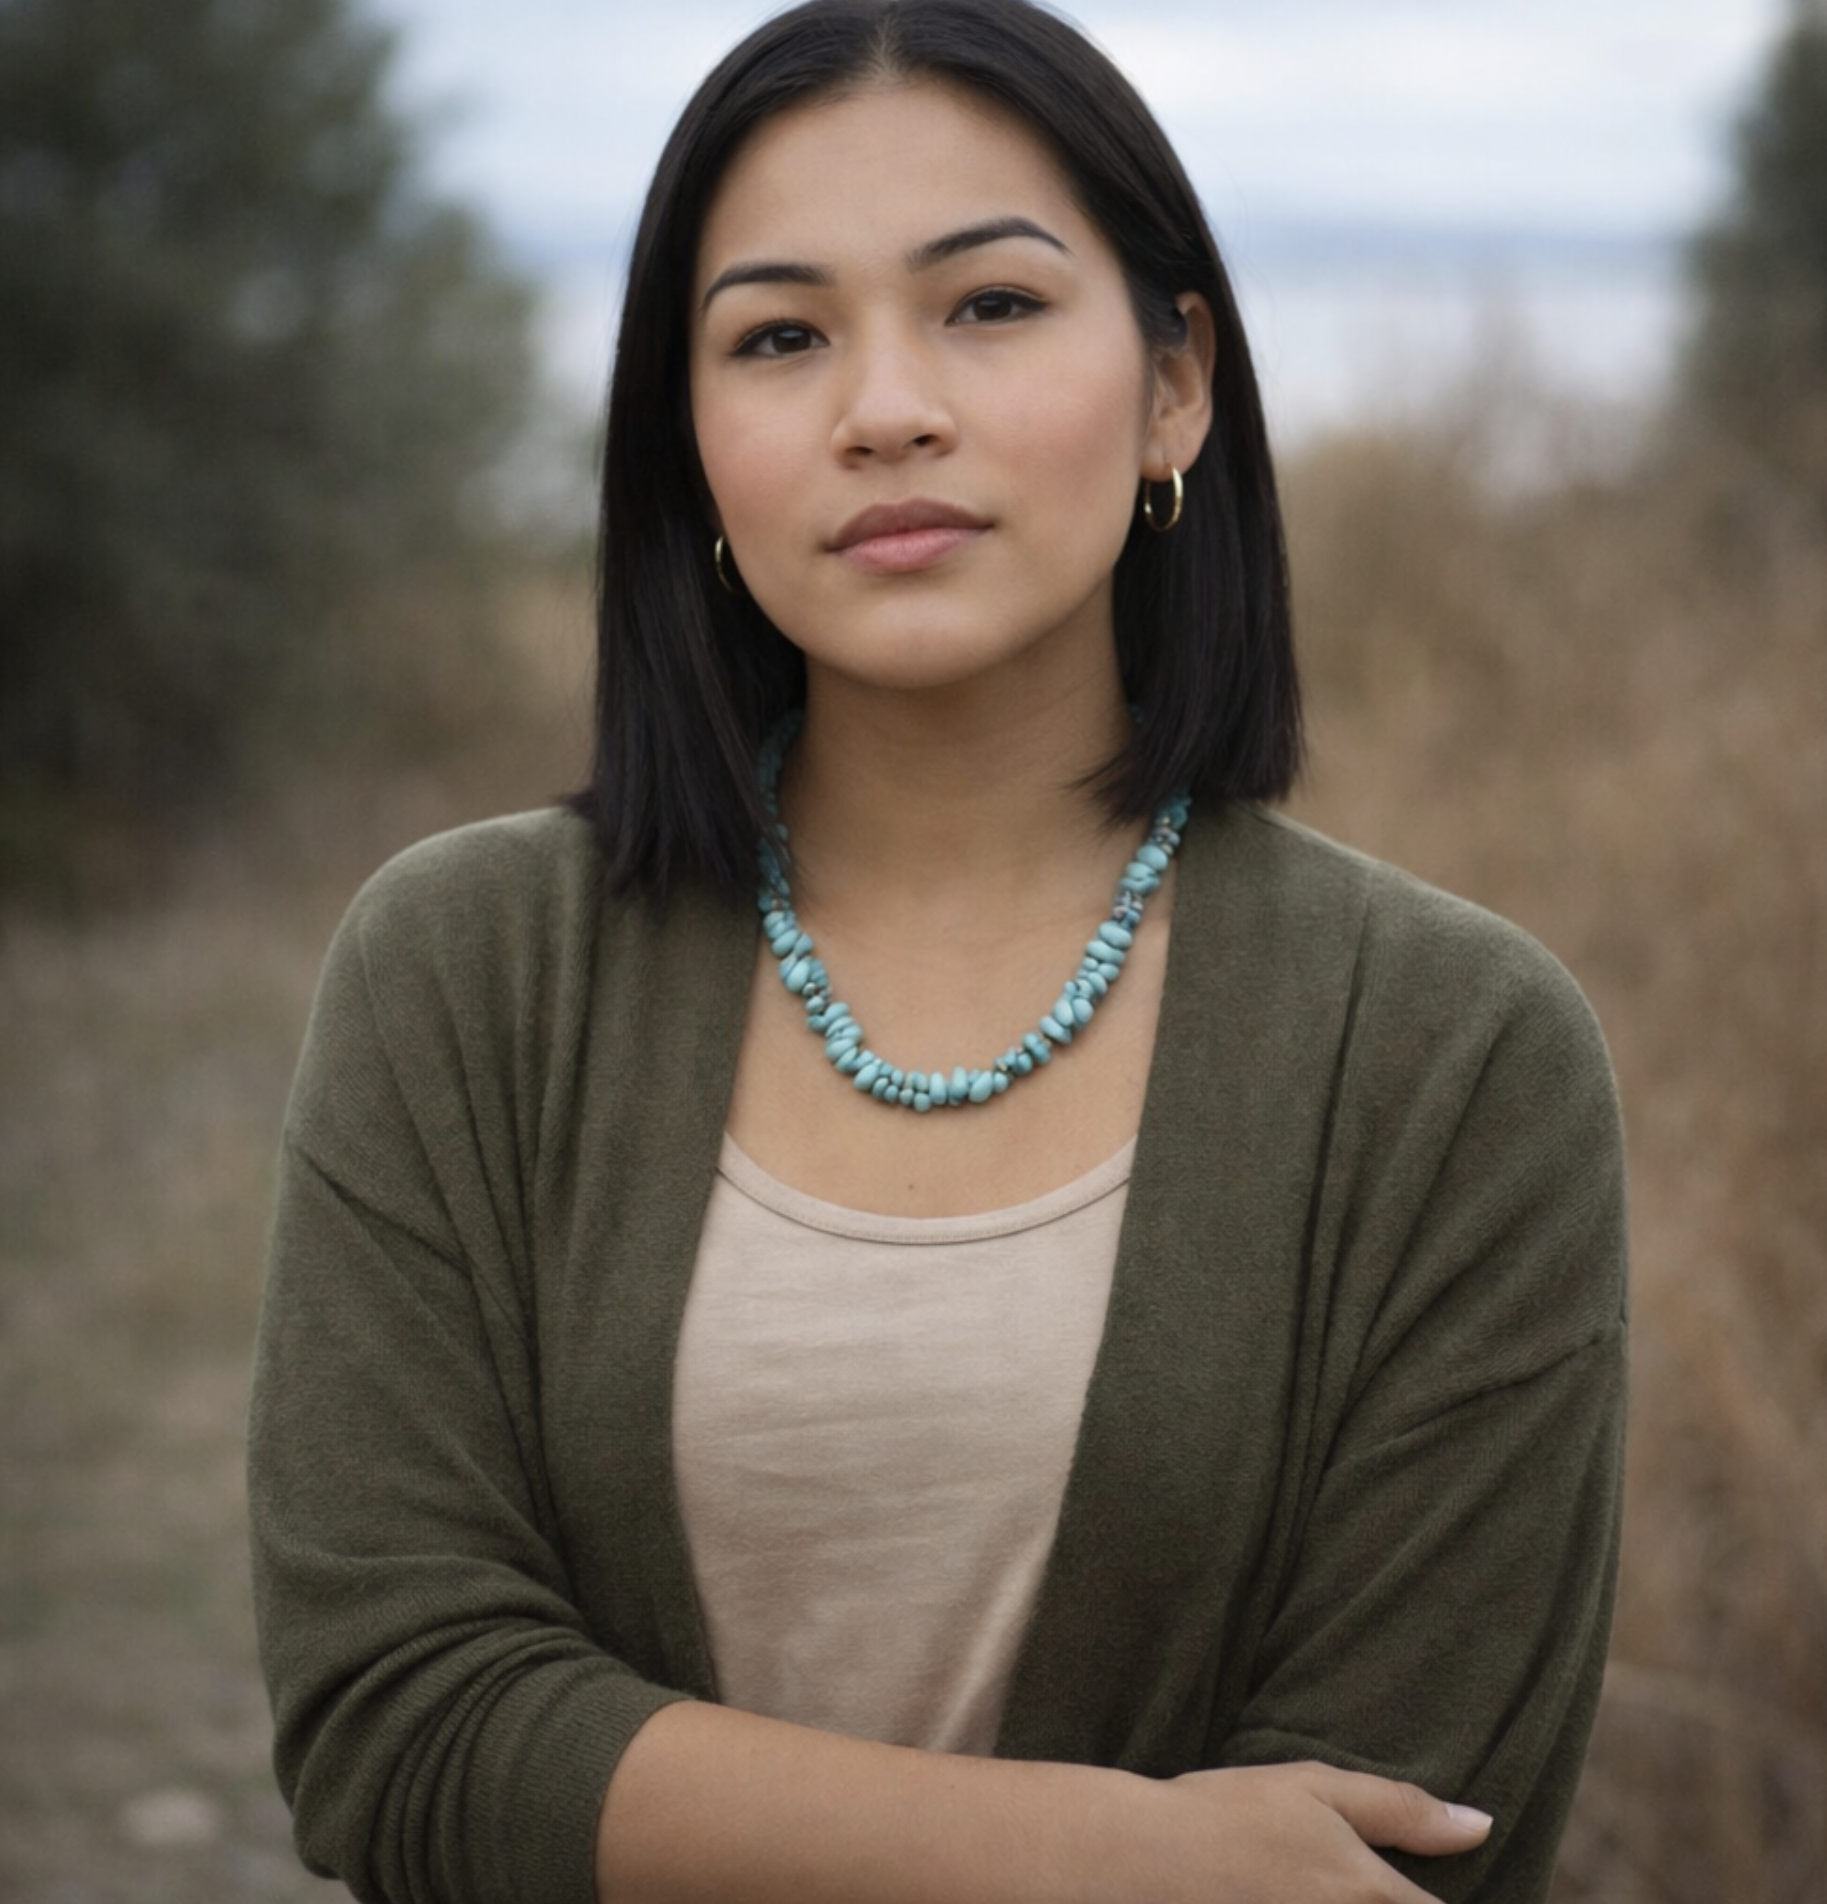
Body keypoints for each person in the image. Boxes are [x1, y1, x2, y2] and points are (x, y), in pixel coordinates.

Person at [246, 2, 1627, 1900]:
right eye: (779, 335)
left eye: (987, 305)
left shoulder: (1455, 1054)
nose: (881, 404)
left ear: (1174, 388)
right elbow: (395, 1725)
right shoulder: (467, 975)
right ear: (693, 444)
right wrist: (1098, 1855)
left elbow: (1398, 1843)